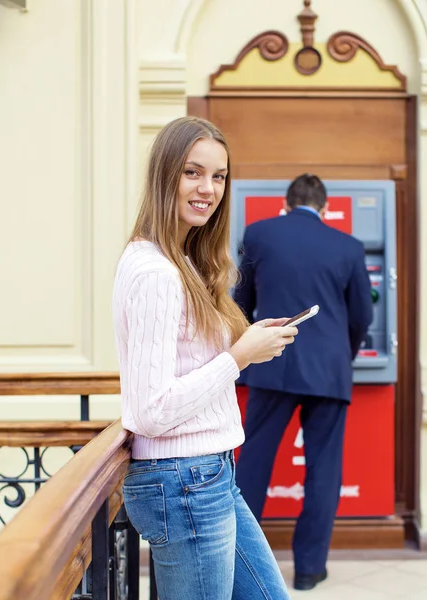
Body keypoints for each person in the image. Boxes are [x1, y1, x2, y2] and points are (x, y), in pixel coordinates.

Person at [112, 116, 298, 600]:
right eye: (193, 172)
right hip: (184, 480)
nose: (208, 189)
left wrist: (247, 343)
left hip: (204, 474)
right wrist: (237, 358)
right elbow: (152, 410)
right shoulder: (157, 272)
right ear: (164, 175)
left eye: (218, 176)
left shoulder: (181, 261)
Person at [234, 173, 373, 591]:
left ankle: (241, 561)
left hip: (270, 364)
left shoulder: (259, 234)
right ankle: (310, 571)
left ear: (286, 203)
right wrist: (339, 357)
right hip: (328, 371)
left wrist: (248, 349)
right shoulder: (348, 246)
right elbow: (362, 316)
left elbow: (242, 303)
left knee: (253, 464)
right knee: (323, 471)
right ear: (325, 207)